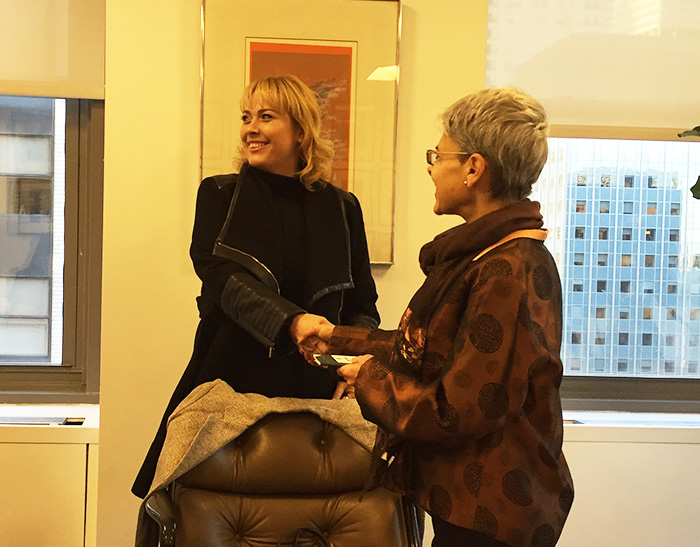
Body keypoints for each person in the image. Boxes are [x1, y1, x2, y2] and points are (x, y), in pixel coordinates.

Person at [297, 87, 574, 547]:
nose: (430, 166)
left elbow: (459, 409)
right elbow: (429, 350)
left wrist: (369, 378)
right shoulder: (484, 257)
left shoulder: (506, 269)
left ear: (473, 168)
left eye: (437, 154)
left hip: (491, 517)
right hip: (469, 504)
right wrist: (335, 338)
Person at [131, 75, 380, 499]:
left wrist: (354, 369)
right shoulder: (218, 196)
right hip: (229, 379)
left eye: (266, 117)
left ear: (300, 130)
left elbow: (362, 302)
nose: (250, 128)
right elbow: (221, 278)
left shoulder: (343, 207)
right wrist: (293, 321)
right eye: (246, 117)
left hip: (319, 388)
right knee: (189, 502)